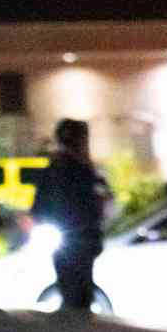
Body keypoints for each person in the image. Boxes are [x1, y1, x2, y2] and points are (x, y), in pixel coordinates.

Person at [29, 118, 108, 315]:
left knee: (73, 292)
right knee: (78, 295)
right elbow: (93, 204)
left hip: (69, 241)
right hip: (77, 240)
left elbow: (38, 209)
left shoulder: (57, 168)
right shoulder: (77, 169)